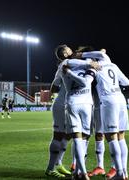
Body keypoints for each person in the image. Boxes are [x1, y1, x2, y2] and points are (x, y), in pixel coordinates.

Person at [45, 44, 100, 180]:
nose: (72, 50)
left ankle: (59, 163)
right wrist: (91, 62)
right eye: (68, 49)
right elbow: (54, 87)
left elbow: (54, 85)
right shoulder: (67, 63)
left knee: (69, 135)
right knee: (59, 135)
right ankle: (51, 168)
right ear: (64, 54)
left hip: (68, 103)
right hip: (63, 104)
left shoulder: (69, 65)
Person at [79, 50, 129, 179]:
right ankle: (124, 172)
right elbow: (126, 82)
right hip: (121, 98)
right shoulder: (113, 65)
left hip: (109, 101)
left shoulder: (95, 67)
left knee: (111, 137)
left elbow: (85, 80)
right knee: (121, 137)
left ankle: (119, 173)